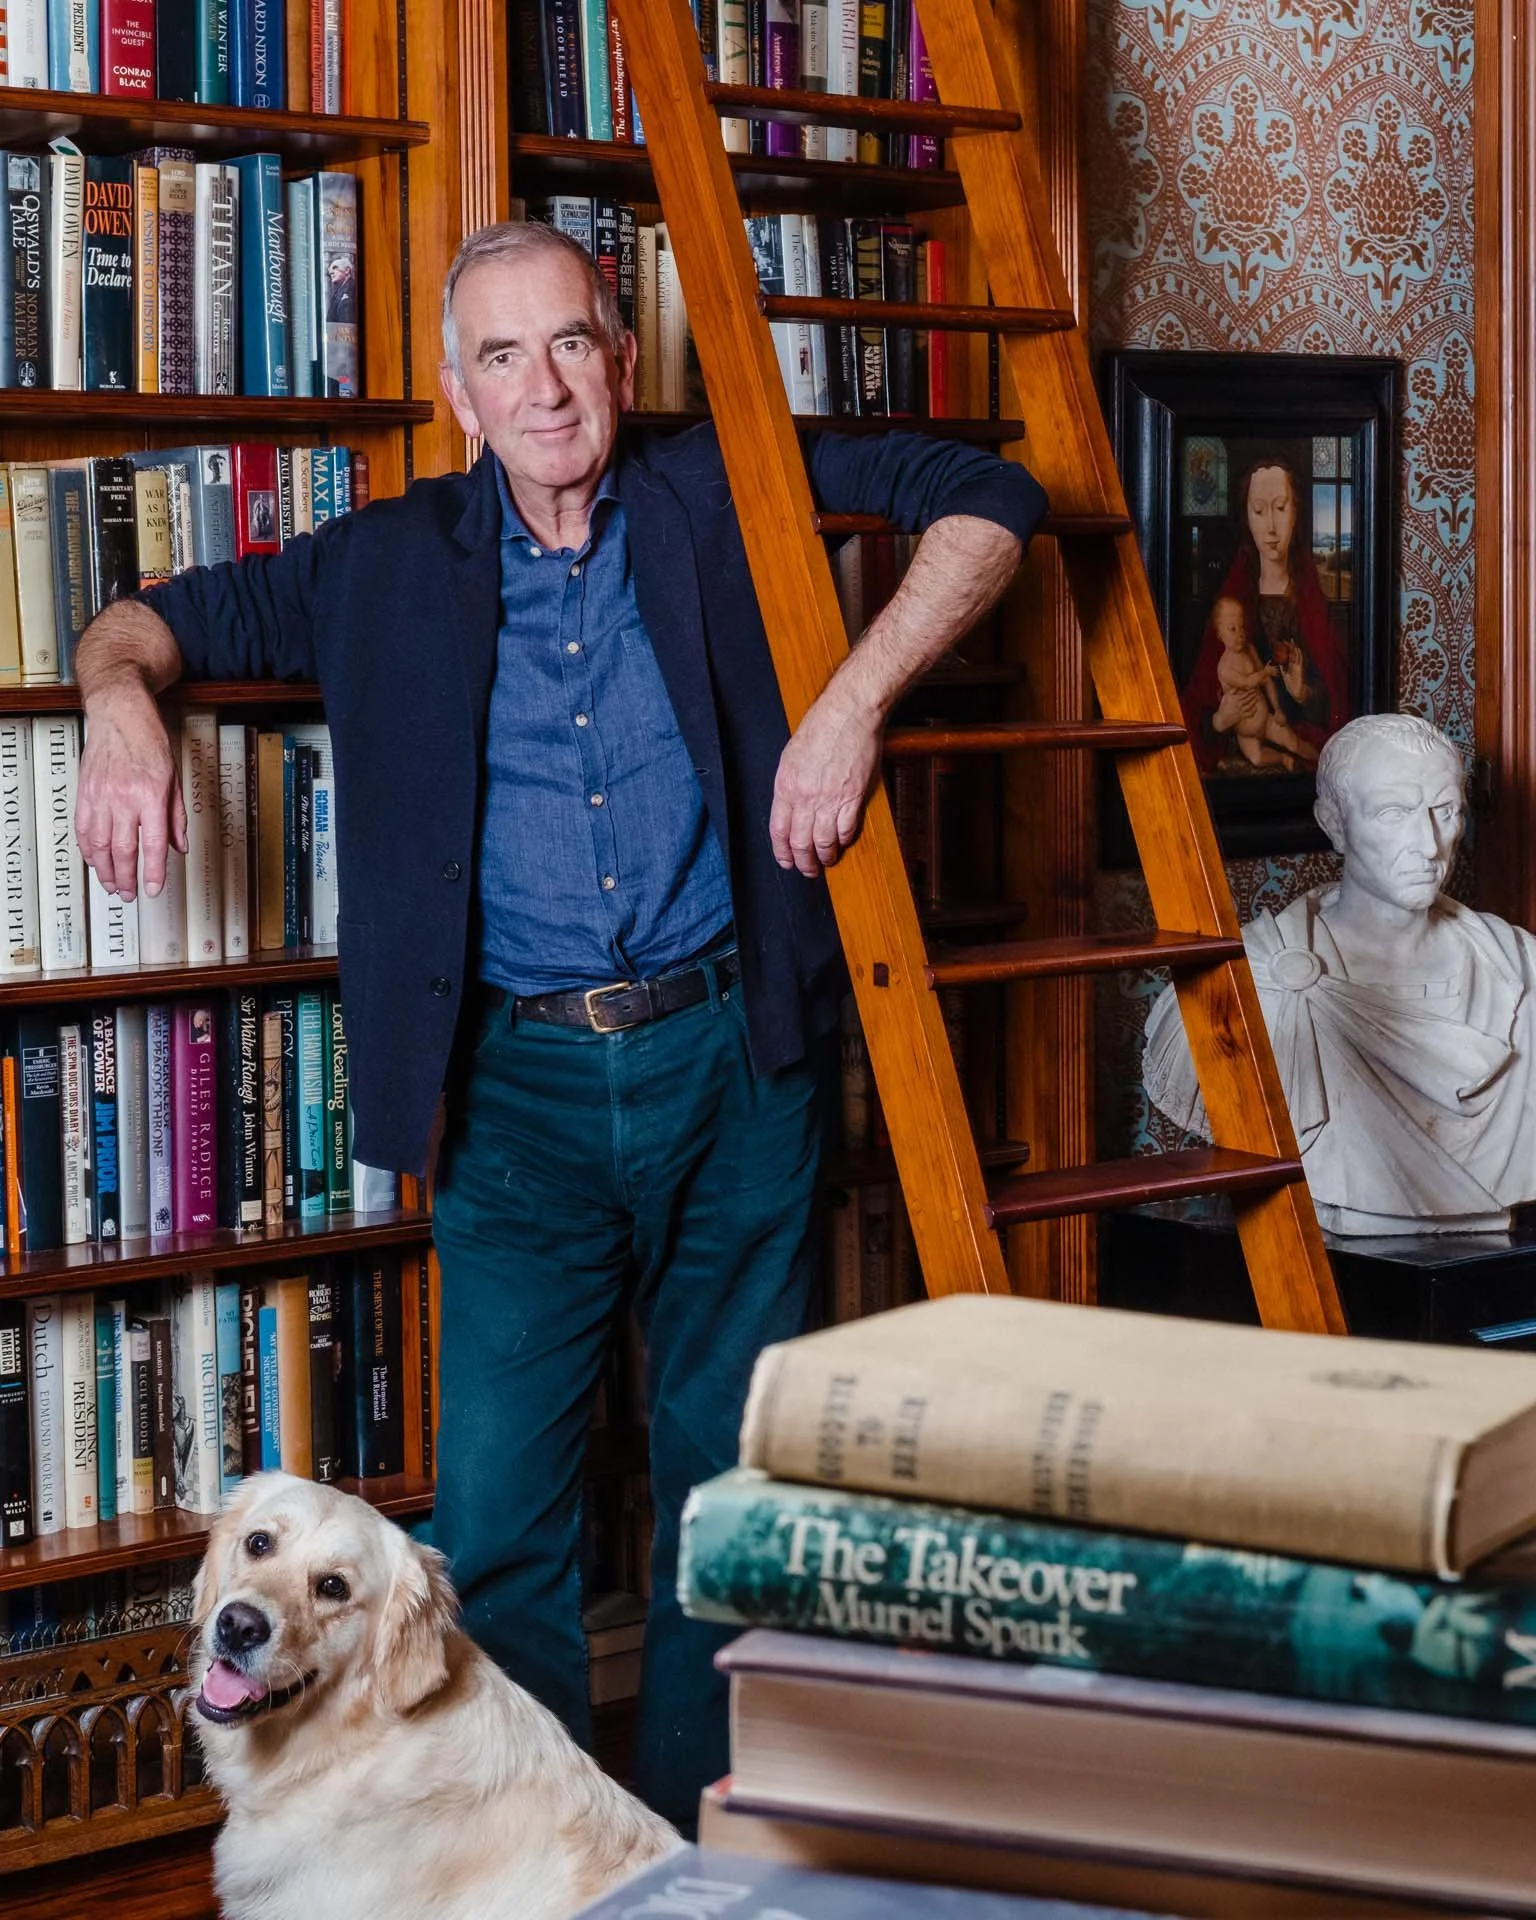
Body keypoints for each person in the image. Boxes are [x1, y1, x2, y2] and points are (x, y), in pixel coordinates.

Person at [70, 219, 1047, 1826]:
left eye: (573, 344)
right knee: (501, 1525)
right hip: (512, 1097)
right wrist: (120, 709)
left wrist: (854, 707)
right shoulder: (379, 565)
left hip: (737, 1065)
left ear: (621, 353)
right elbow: (135, 625)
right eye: (505, 357)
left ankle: (680, 1863)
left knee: (727, 1503)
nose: (547, 388)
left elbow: (996, 503)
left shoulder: (719, 484)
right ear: (459, 392)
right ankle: (515, 1862)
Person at [1143, 714, 1536, 1236]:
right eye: (1394, 812)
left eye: (1445, 811)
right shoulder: (1248, 984)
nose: (1428, 843)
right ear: (1333, 822)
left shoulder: (1520, 968)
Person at [1181, 457, 1349, 773]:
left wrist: (1303, 695)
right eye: (1259, 511)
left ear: (1297, 512)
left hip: (1298, 753)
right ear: (1247, 516)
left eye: (1281, 507)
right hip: (1241, 752)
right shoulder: (1231, 602)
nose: (1270, 526)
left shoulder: (1310, 599)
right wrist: (1218, 720)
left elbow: (1339, 700)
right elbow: (1198, 701)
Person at [1208, 592, 1318, 769]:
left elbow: (1267, 682)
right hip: (1246, 734)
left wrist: (1277, 709)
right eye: (1232, 629)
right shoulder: (1225, 667)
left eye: (1242, 627)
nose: (1240, 634)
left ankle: (1322, 761)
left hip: (1266, 720)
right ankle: (1283, 759)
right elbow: (1247, 682)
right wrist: (1265, 671)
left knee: (1294, 742)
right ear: (1219, 634)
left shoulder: (1249, 650)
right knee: (1257, 759)